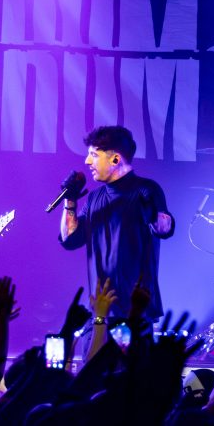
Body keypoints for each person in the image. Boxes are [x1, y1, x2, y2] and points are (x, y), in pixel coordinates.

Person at [60, 125, 174, 322]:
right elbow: (70, 239)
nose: (87, 161)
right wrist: (70, 200)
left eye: (94, 155)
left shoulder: (146, 189)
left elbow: (164, 229)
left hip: (136, 311)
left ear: (115, 159)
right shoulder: (94, 198)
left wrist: (155, 214)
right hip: (101, 310)